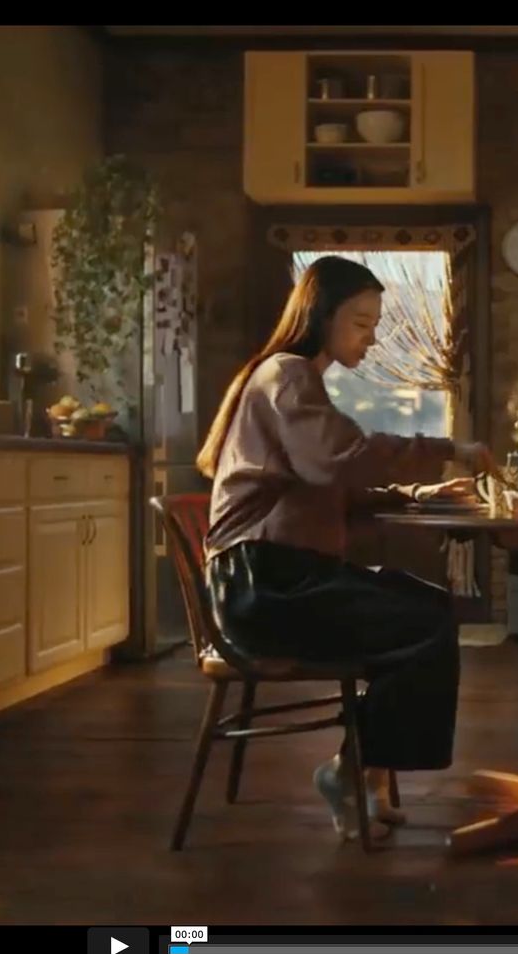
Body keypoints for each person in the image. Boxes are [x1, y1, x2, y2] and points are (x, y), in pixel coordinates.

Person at [197, 254, 498, 841]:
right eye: (361, 322)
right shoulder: (287, 374)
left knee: (428, 608)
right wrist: (447, 448)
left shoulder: (290, 380)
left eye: (374, 322)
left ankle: (366, 773)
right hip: (263, 590)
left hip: (279, 579)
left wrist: (417, 492)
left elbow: (327, 479)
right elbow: (338, 458)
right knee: (423, 621)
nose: (372, 336)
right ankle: (354, 772)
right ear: (322, 314)